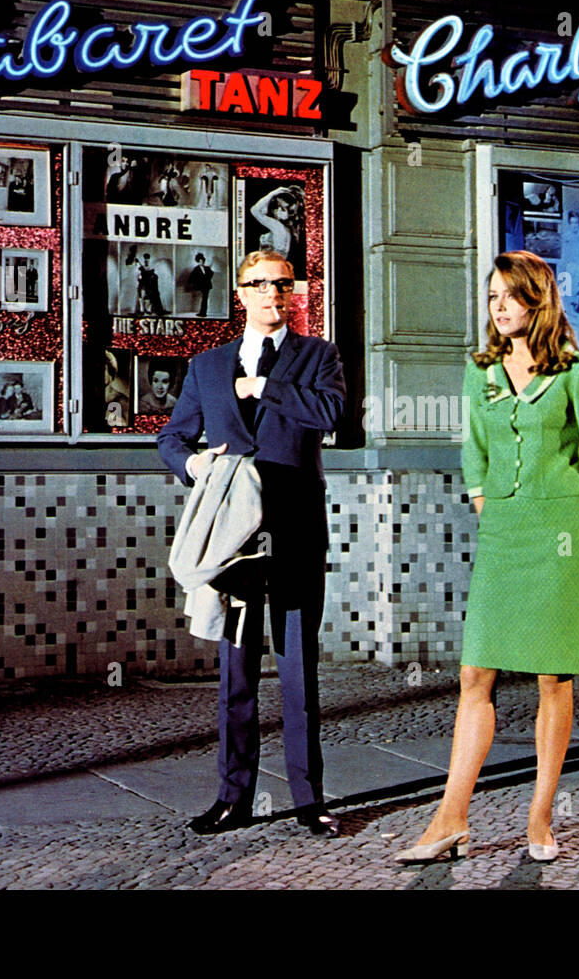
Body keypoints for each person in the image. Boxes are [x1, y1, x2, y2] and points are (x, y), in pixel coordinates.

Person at [394, 250, 579, 864]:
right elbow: (473, 449)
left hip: (561, 535)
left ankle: (542, 818)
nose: (497, 306)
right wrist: (483, 503)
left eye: (508, 296)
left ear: (537, 300)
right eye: (491, 296)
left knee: (553, 677)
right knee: (475, 674)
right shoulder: (482, 370)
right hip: (503, 531)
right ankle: (450, 817)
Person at [158, 249, 346, 839]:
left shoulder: (319, 356)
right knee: (235, 672)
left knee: (298, 670)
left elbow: (332, 413)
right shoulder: (207, 366)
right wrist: (193, 463)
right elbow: (172, 436)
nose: (273, 293)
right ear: (238, 293)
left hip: (294, 529)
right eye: (260, 284)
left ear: (294, 294)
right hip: (232, 539)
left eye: (283, 284)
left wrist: (264, 384)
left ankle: (309, 800)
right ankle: (232, 797)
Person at [187, 252, 215, 317]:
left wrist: (207, 278)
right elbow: (191, 277)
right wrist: (193, 284)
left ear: (203, 260)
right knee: (203, 299)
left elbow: (211, 274)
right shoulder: (196, 269)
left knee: (205, 299)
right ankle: (202, 312)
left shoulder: (207, 268)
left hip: (207, 286)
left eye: (202, 260)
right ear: (197, 261)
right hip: (201, 286)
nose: (201, 262)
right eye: (199, 261)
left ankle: (203, 313)